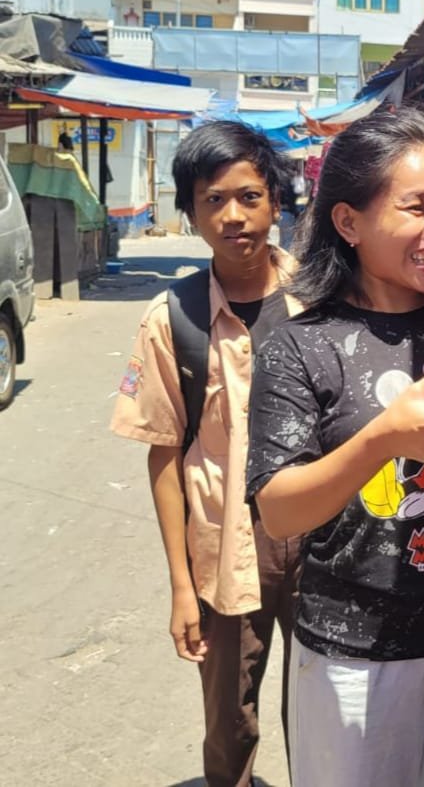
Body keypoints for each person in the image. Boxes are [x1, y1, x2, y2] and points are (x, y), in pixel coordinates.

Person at [244, 106, 424, 787]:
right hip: (355, 653)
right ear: (348, 222)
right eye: (414, 209)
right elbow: (279, 510)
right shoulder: (300, 347)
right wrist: (384, 437)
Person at [110, 121, 303, 787]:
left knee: (326, 709)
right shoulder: (173, 317)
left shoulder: (323, 300)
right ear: (190, 213)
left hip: (325, 541)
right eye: (211, 199)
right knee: (228, 723)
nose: (233, 216)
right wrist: (179, 586)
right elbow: (164, 455)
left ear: (275, 200)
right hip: (226, 547)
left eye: (248, 196)